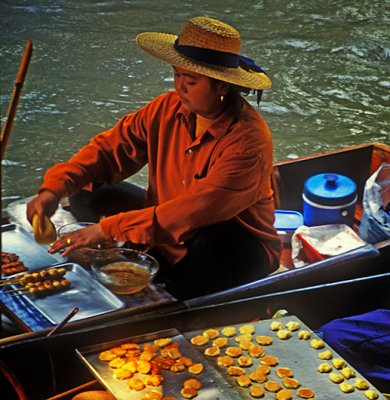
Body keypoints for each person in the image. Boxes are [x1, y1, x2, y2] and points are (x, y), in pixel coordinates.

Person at [27, 16, 281, 300]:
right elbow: (110, 150)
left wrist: (107, 229)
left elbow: (197, 210)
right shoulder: (167, 108)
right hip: (166, 220)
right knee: (87, 193)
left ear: (222, 86)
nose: (179, 88)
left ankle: (173, 281)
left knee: (206, 248)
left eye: (191, 81)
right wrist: (54, 188)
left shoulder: (248, 141)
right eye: (177, 75)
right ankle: (154, 256)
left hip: (229, 240)